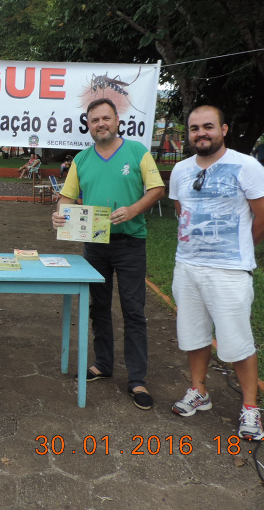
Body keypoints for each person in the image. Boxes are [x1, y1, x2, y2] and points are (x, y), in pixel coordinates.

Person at [169, 105, 264, 440]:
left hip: (229, 272)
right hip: (187, 267)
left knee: (237, 341)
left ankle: (250, 408)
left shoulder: (247, 166)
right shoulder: (181, 170)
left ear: (223, 129)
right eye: (194, 128)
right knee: (193, 334)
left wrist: (238, 248)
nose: (201, 133)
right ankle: (198, 391)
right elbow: (182, 212)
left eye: (208, 126)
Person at [51, 98, 165, 410]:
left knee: (133, 310)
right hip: (95, 244)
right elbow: (66, 197)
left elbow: (157, 189)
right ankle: (103, 364)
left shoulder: (137, 152)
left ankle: (137, 379)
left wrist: (134, 210)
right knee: (98, 307)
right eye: (94, 120)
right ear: (88, 126)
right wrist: (59, 214)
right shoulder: (82, 159)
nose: (100, 124)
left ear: (117, 121)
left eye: (106, 118)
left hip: (130, 243)